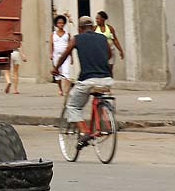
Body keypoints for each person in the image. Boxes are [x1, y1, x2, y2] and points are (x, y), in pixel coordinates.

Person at [52, 15, 114, 144]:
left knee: (73, 105)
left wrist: (57, 68)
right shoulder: (103, 38)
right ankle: (104, 120)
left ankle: (84, 132)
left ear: (80, 29)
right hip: (107, 79)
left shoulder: (77, 39)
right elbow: (109, 55)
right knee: (98, 95)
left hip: (88, 80)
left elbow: (65, 54)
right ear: (93, 27)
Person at [95, 11, 125, 76]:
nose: (96, 20)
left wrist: (120, 50)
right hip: (100, 52)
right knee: (101, 68)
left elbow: (115, 40)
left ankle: (109, 81)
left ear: (103, 19)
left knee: (110, 68)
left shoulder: (110, 28)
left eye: (98, 18)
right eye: (96, 18)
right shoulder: (95, 29)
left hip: (110, 51)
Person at [49, 15, 72, 96]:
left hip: (66, 56)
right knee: (57, 74)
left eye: (62, 23)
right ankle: (60, 89)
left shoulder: (67, 34)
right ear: (56, 24)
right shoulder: (53, 34)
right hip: (56, 55)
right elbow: (51, 44)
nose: (61, 24)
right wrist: (51, 53)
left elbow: (70, 46)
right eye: (59, 23)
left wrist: (71, 57)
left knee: (66, 73)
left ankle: (67, 90)